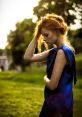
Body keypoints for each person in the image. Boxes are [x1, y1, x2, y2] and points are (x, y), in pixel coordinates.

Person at [24, 13, 77, 117]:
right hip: (54, 102)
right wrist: (37, 35)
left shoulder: (62, 52)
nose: (43, 39)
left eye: (46, 35)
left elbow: (52, 85)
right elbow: (28, 57)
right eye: (42, 36)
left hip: (58, 106)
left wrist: (45, 78)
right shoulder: (54, 51)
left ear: (56, 30)